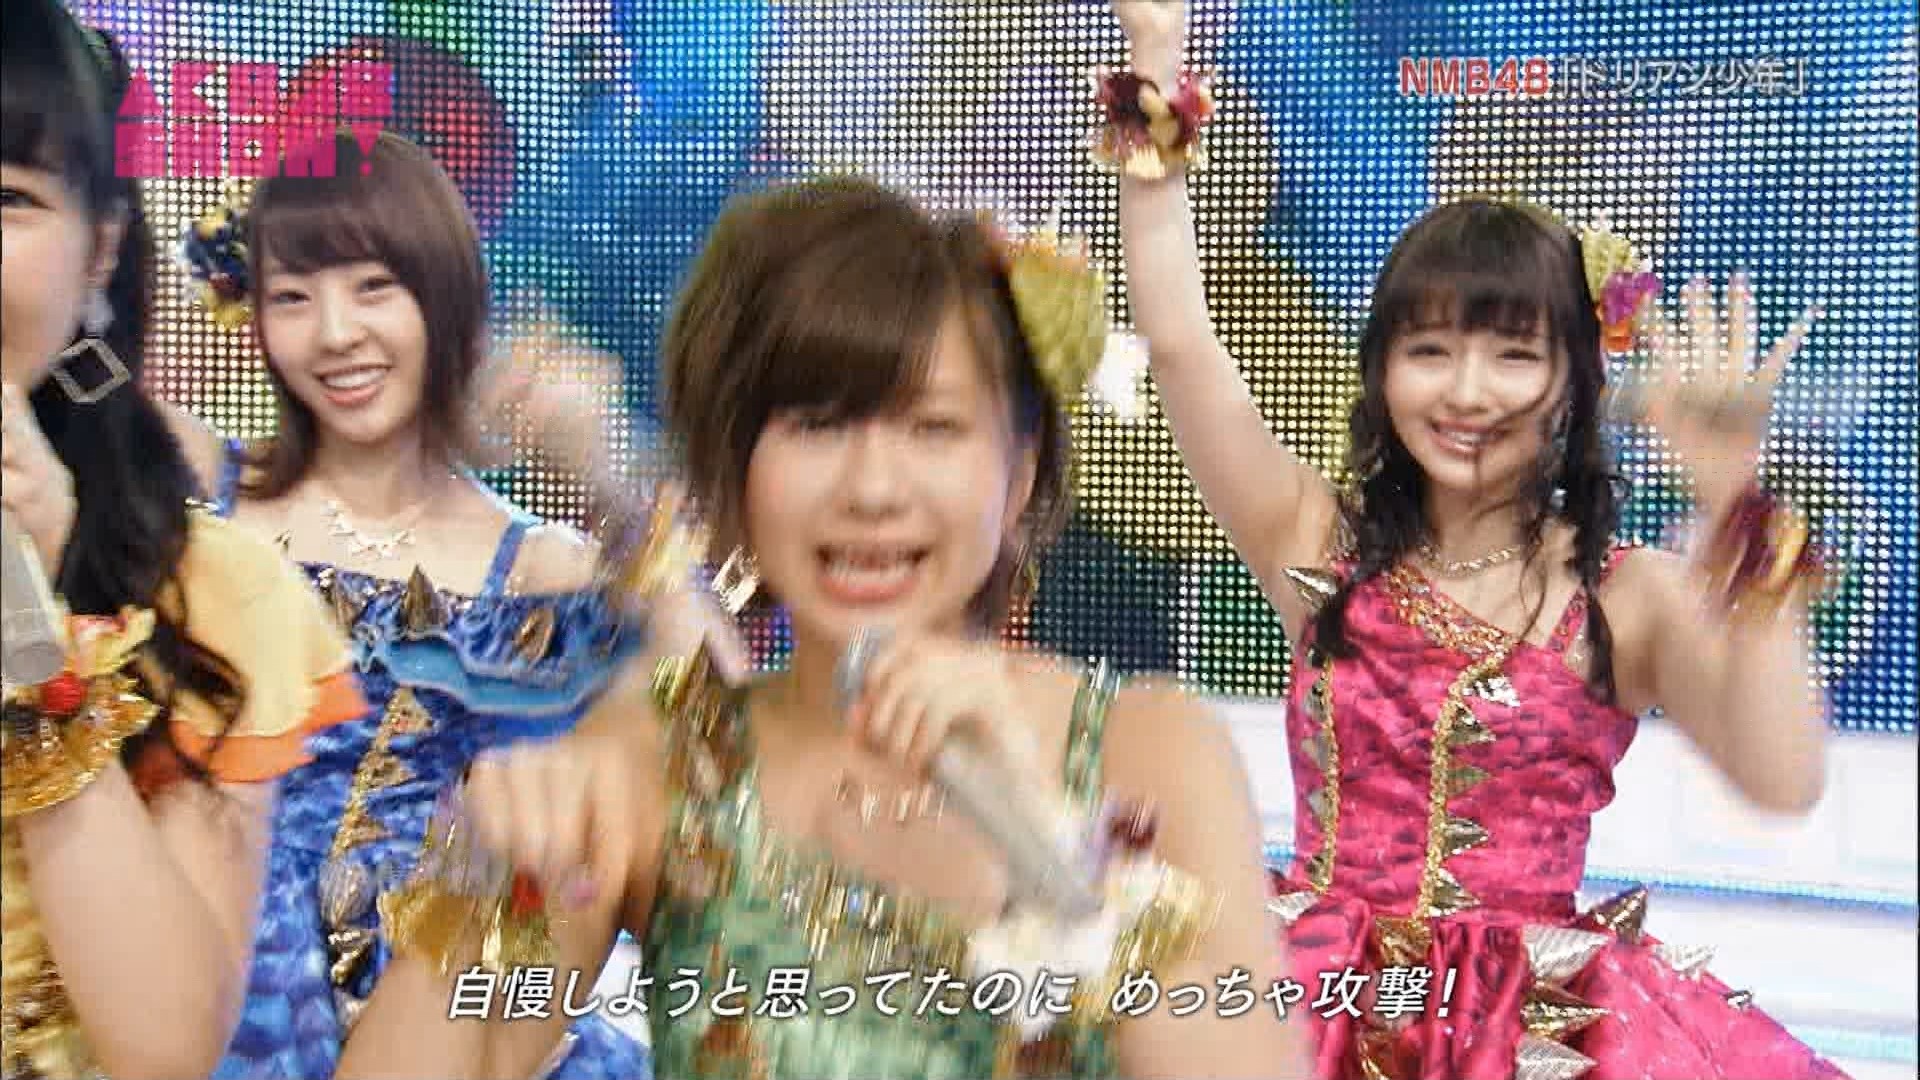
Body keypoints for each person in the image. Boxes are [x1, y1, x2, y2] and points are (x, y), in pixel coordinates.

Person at [324, 174, 1308, 1079]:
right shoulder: (662, 756)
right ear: (735, 470)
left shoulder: (1152, 748)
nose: (872, 490)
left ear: (1016, 476)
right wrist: (481, 866)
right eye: (818, 427)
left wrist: (1043, 831)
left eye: (932, 428)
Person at [1102, 2, 1848, 1076]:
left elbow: (1784, 778)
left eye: (1512, 355)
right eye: (1430, 350)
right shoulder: (1317, 544)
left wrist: (1739, 496)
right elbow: (1179, 341)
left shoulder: (1623, 596)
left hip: (1531, 1030)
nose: (1465, 392)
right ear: (1383, 371)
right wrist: (1155, 60)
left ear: (1572, 381)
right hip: (1312, 1002)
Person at [158, 130, 707, 1080]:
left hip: (454, 1018)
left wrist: (611, 476)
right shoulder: (205, 493)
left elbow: (708, 704)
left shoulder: (541, 568)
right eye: (293, 298)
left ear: (443, 295)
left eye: (374, 288)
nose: (336, 333)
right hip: (211, 996)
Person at [1, 3, 365, 1077]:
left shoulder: (215, 596)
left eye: (7, 199)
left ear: (101, 247)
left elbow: (162, 1045)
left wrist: (29, 616)